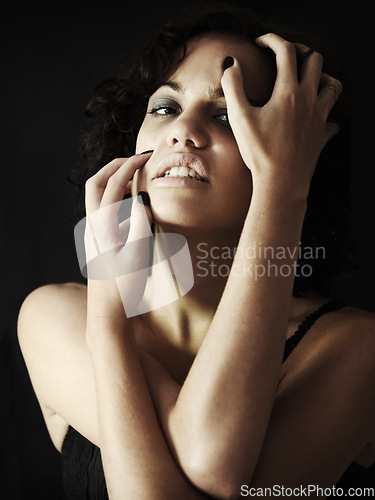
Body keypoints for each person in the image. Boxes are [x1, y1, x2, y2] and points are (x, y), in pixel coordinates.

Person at [17, 3, 375, 499]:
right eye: (165, 107)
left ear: (297, 151)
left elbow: (214, 467)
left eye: (227, 115)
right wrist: (107, 320)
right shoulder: (54, 315)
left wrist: (282, 187)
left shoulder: (356, 347)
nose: (182, 131)